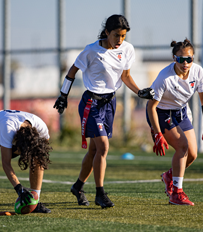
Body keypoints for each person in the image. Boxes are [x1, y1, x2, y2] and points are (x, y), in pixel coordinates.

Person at [54, 14, 154, 208]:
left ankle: (78, 186)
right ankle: (100, 193)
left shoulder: (127, 49)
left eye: (123, 36)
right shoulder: (91, 51)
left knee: (94, 150)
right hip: (91, 103)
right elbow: (72, 71)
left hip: (110, 103)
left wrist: (139, 91)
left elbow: (126, 77)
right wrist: (63, 96)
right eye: (116, 35)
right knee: (104, 147)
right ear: (107, 32)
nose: (120, 40)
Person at [146, 38, 203, 206]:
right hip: (161, 113)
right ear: (174, 58)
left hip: (181, 111)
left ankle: (169, 176)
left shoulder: (198, 72)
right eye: (180, 59)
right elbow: (151, 107)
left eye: (189, 59)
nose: (185, 63)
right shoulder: (164, 78)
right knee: (182, 147)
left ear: (193, 58)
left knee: (192, 154)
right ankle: (176, 194)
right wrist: (157, 133)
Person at [0, 110, 52, 213]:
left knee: (38, 156)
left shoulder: (41, 127)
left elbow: (42, 150)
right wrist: (19, 188)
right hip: (0, 125)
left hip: (8, 122)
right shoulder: (7, 129)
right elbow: (5, 163)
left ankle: (35, 200)